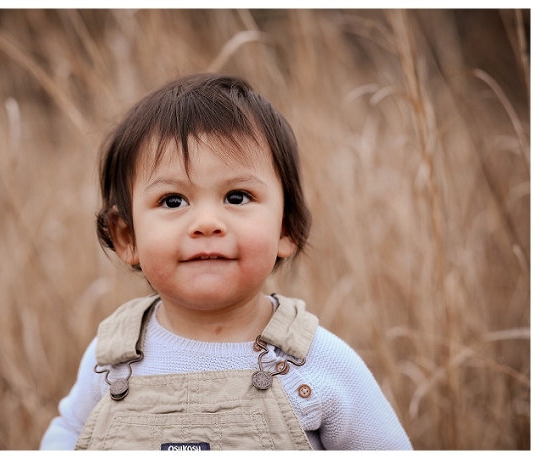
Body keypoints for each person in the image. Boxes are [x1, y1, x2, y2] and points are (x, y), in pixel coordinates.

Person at [40, 74, 412, 450]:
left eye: (237, 197)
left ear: (286, 228)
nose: (206, 224)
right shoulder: (113, 359)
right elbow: (70, 431)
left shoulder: (317, 364)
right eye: (173, 201)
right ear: (127, 236)